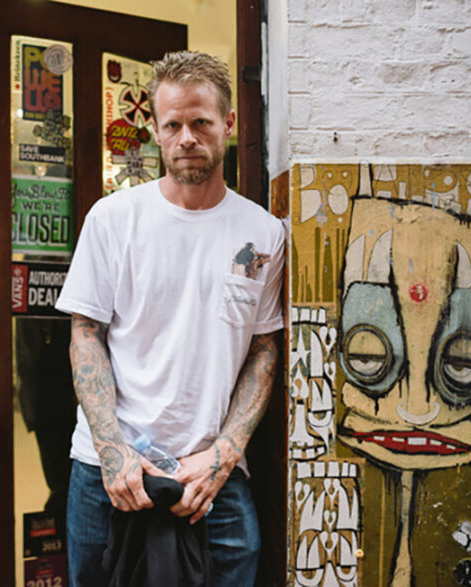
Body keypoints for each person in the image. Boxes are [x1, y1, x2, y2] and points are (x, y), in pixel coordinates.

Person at [55, 51, 285, 586]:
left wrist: (224, 455)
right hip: (106, 469)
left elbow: (264, 349)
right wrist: (114, 452)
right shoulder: (113, 219)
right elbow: (85, 334)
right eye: (173, 125)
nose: (187, 137)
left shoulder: (263, 233)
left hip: (213, 473)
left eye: (201, 122)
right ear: (155, 132)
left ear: (229, 124)